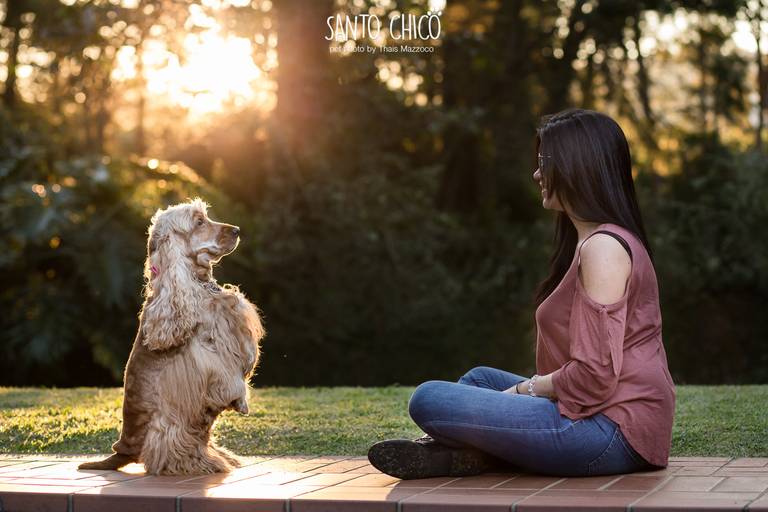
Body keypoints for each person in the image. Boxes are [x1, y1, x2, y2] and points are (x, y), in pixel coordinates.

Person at [367, 109, 676, 479]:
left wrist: (522, 390)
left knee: (429, 398)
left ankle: (467, 451)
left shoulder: (604, 249)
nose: (536, 174)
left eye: (545, 161)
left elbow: (594, 376)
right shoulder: (592, 242)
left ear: (577, 165)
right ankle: (470, 455)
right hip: (594, 415)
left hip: (610, 431)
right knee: (479, 379)